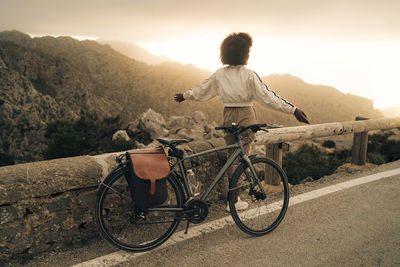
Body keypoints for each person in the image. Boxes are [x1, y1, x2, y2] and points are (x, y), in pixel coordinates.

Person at [174, 32, 309, 211]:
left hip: (228, 115)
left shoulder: (219, 74)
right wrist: (293, 110)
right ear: (244, 54)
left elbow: (202, 89)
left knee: (232, 157)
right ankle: (234, 201)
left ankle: (232, 199)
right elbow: (268, 97)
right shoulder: (249, 75)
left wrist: (185, 95)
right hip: (246, 115)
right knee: (242, 158)